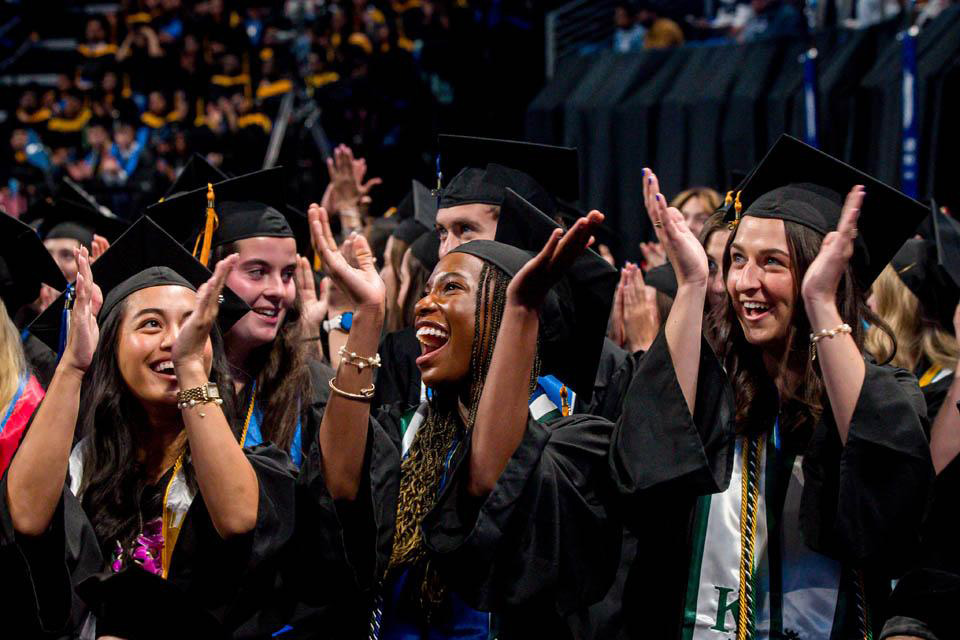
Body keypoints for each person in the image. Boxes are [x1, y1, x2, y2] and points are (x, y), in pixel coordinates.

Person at [611, 135, 933, 638]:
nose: (744, 281)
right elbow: (645, 471)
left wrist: (820, 302)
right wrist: (693, 283)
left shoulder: (883, 395)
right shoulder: (710, 385)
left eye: (773, 262)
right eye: (737, 259)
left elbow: (890, 509)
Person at [293, 203, 620, 638]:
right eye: (427, 289)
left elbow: (493, 477)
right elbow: (338, 481)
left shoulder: (575, 441)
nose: (425, 303)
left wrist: (521, 309)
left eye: (451, 288)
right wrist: (370, 314)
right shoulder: (409, 430)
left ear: (501, 314)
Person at [2, 216, 296, 638]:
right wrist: (72, 364)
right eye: (151, 324)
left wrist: (191, 367)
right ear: (111, 345)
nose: (175, 341)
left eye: (191, 325)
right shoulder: (83, 465)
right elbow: (27, 519)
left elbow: (236, 520)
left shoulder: (246, 469)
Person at [147, 167, 334, 468]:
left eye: (287, 274)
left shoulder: (309, 387)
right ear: (210, 272)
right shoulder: (164, 375)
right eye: (257, 272)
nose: (278, 291)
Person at [866, 206, 960, 578]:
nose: (867, 304)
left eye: (876, 292)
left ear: (901, 305)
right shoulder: (875, 375)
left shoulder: (945, 387)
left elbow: (932, 480)